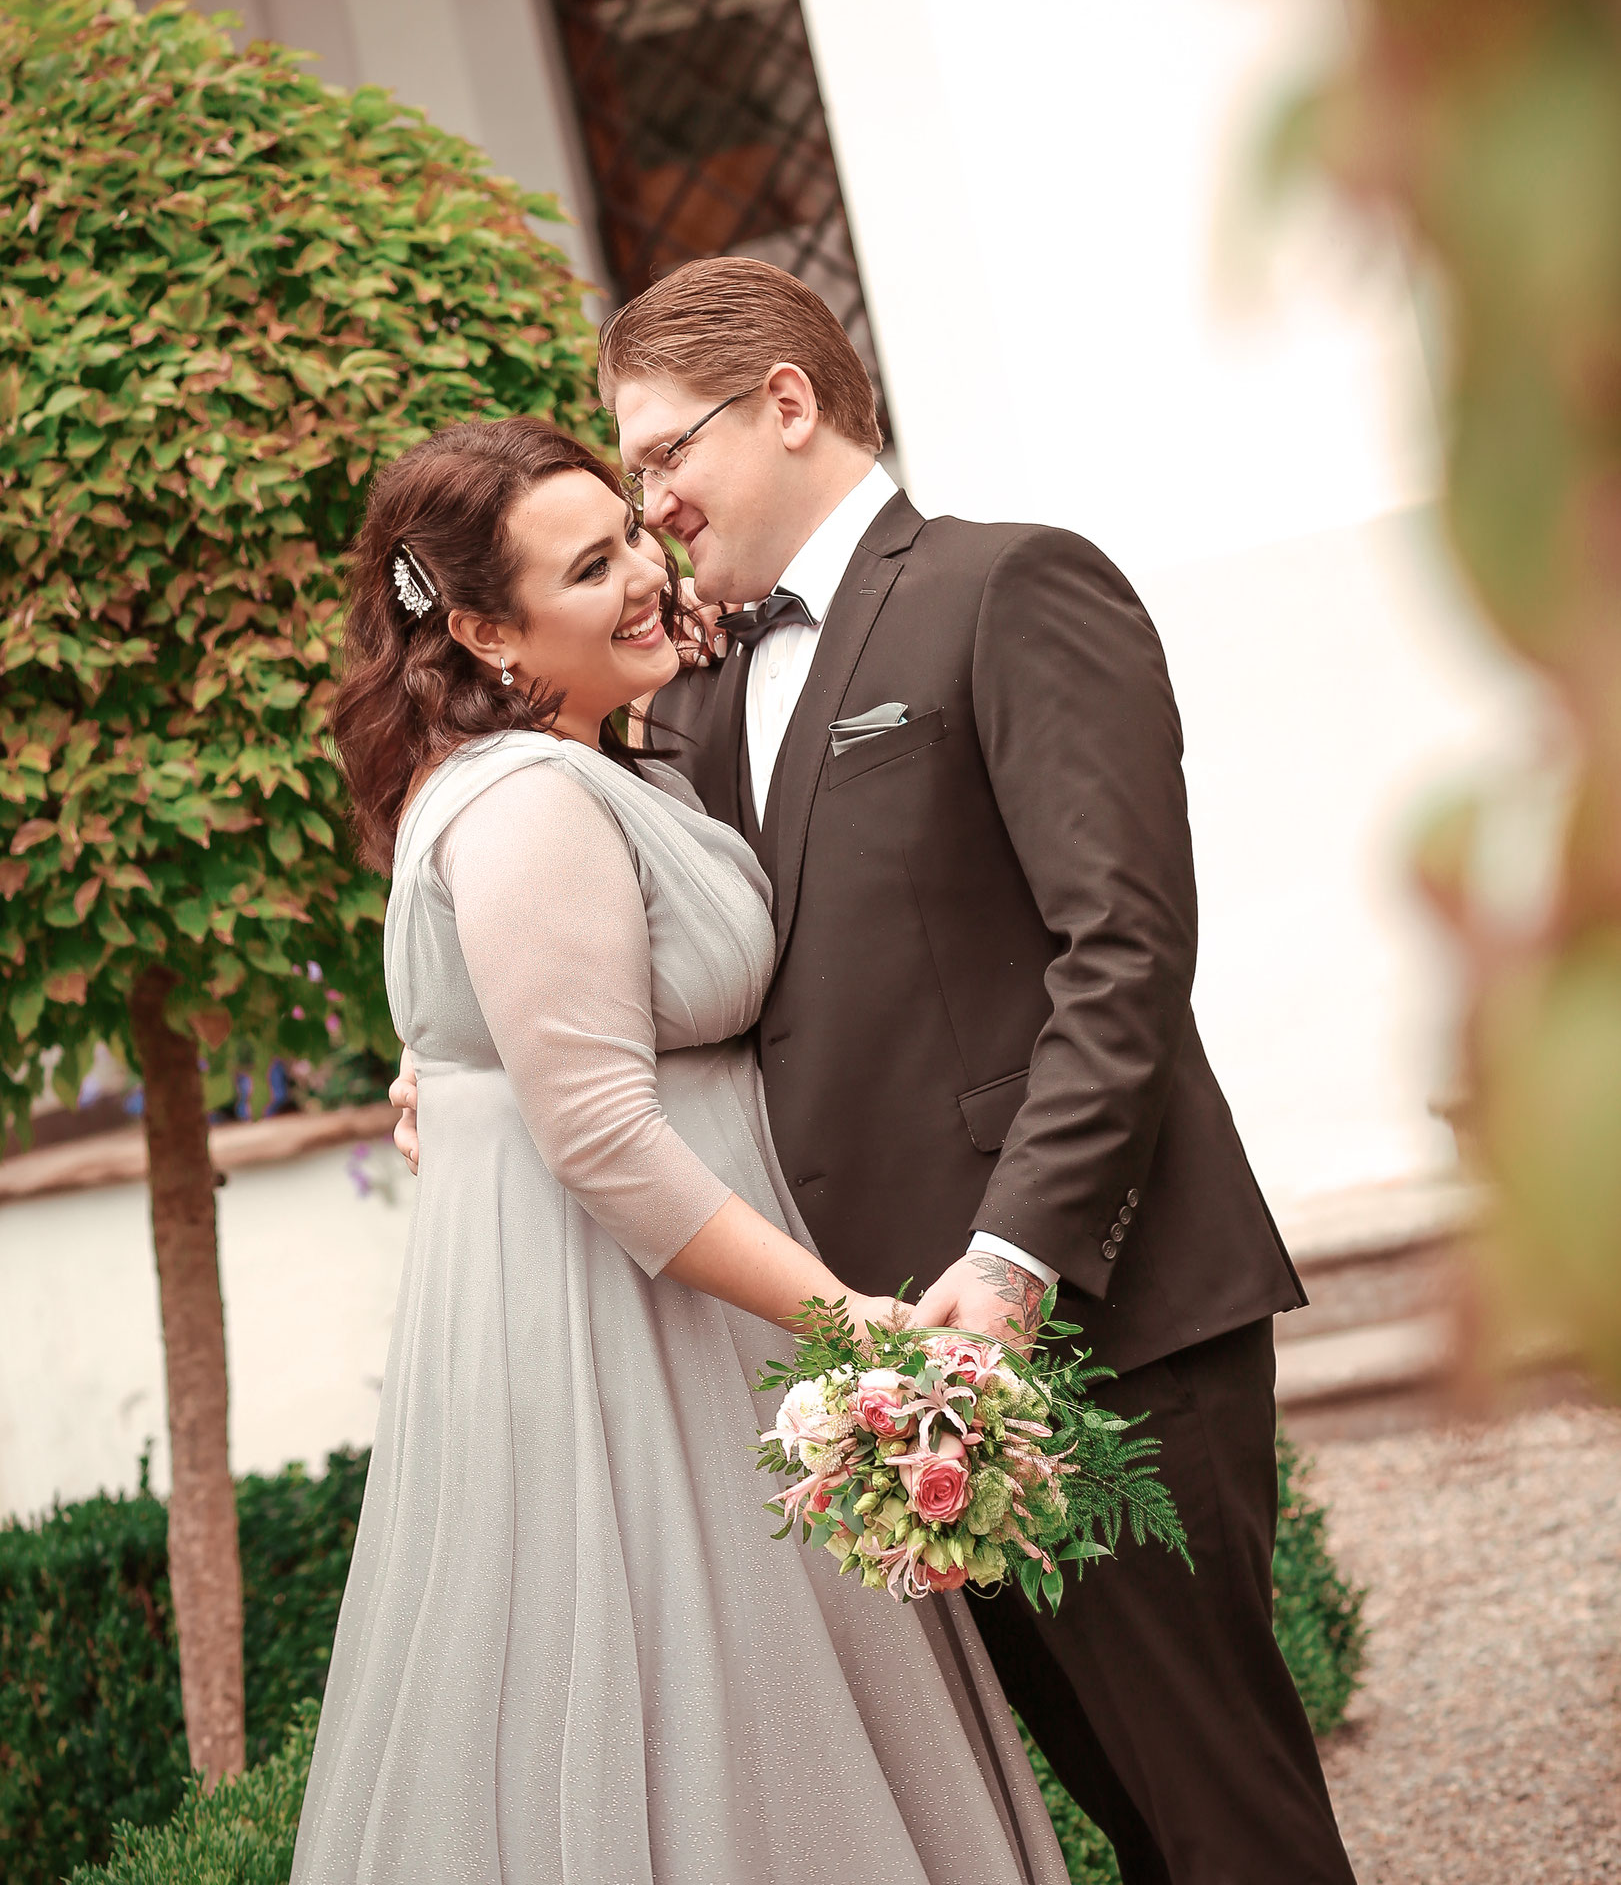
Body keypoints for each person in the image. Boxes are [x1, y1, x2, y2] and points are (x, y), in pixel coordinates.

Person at [399, 258, 1357, 1885]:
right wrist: (470, 1074)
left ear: (783, 402)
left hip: (1095, 1323)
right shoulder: (682, 691)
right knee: (1126, 1826)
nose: (653, 505)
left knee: (1226, 1825)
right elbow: (625, 951)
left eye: (662, 454)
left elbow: (1118, 954)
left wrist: (1009, 1260)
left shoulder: (1010, 587)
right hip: (879, 1378)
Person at [292, 415, 1066, 1885]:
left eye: (632, 534)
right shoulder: (528, 798)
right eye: (591, 568)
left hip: (686, 1307)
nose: (646, 573)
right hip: (637, 1331)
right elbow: (594, 1133)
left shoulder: (588, 757)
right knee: (706, 1712)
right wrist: (859, 1335)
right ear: (479, 627)